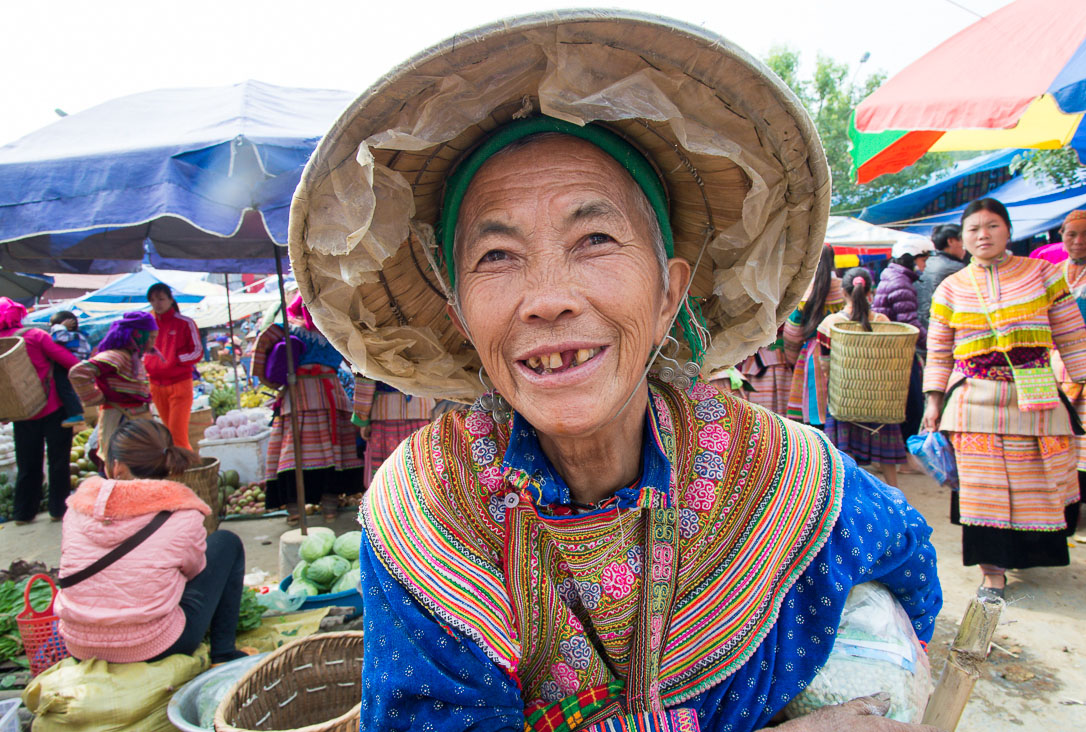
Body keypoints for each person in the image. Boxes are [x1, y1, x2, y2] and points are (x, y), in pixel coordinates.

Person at [289, 13, 941, 730]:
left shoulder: (774, 471)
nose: (547, 300)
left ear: (668, 295)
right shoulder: (426, 511)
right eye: (497, 256)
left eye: (594, 238)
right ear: (460, 318)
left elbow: (907, 564)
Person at [923, 198, 1086, 599]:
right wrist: (933, 402)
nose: (982, 235)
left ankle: (1024, 554)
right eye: (973, 229)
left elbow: (1072, 337)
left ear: (1008, 230)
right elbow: (939, 350)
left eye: (992, 227)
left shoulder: (1044, 274)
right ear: (962, 238)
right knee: (983, 490)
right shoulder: (950, 287)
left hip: (1037, 396)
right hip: (974, 401)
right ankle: (992, 572)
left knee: (1038, 482)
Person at [55, 419, 248, 665]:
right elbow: (194, 571)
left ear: (116, 467)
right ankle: (223, 652)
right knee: (226, 543)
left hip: (80, 645)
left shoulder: (76, 509)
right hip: (155, 645)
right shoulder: (184, 515)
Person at [249, 294, 360, 523]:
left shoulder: (284, 328)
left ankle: (295, 510)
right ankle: (329, 508)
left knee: (294, 452)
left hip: (298, 395)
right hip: (330, 393)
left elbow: (259, 356)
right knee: (332, 450)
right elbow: (356, 361)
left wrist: (272, 383)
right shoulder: (334, 330)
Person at [821, 268, 906, 487]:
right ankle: (895, 490)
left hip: (845, 398)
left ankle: (848, 490)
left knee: (843, 455)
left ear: (843, 291)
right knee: (887, 458)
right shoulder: (883, 321)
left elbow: (825, 364)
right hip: (881, 399)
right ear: (870, 291)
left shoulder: (831, 323)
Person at [0, 298, 81, 524]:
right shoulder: (35, 336)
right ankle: (58, 510)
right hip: (53, 406)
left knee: (27, 464)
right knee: (58, 461)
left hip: (21, 411)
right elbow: (69, 361)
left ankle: (23, 514)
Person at [1053, 209, 1086, 508]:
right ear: (1062, 236)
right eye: (1072, 234)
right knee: (1064, 429)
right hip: (1059, 362)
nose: (1078, 241)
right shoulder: (1053, 272)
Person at [68, 311, 157, 464]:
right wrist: (96, 397)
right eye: (152, 337)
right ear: (138, 335)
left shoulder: (132, 357)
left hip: (134, 418)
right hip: (120, 419)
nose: (153, 343)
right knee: (121, 463)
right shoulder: (117, 356)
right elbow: (79, 372)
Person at [873, 237, 932, 441]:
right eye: (923, 259)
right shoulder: (901, 283)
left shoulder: (891, 276)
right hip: (898, 352)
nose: (924, 265)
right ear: (913, 258)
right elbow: (910, 323)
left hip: (889, 349)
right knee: (911, 404)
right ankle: (906, 456)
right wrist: (934, 344)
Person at [784, 244, 843, 425]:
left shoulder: (805, 293)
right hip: (843, 357)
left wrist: (794, 359)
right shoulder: (843, 290)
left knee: (812, 418)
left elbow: (792, 333)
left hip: (812, 357)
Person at [144, 283, 203, 450]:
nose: (158, 303)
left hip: (180, 384)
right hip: (156, 385)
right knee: (168, 434)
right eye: (153, 300)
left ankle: (186, 469)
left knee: (177, 435)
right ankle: (182, 468)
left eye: (161, 299)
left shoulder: (185, 323)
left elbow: (197, 352)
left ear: (170, 300)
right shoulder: (148, 323)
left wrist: (174, 360)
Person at [352, 377, 436, 489]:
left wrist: (362, 418)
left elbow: (365, 380)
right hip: (421, 412)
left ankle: (391, 503)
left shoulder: (379, 358)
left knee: (389, 474)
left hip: (386, 414)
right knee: (420, 468)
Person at [915, 224, 966, 332]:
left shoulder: (929, 262)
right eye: (962, 240)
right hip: (942, 328)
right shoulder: (956, 268)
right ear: (951, 241)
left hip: (923, 326)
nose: (964, 246)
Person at [48, 311, 90, 427]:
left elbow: (57, 339)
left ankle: (76, 414)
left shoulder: (70, 335)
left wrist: (60, 327)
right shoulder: (80, 335)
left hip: (66, 366)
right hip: (76, 366)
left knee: (64, 388)